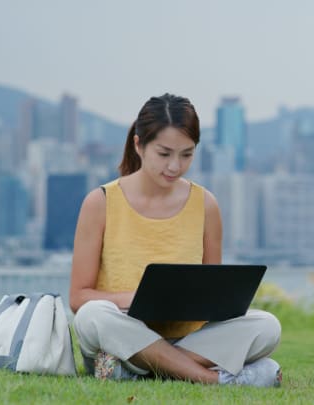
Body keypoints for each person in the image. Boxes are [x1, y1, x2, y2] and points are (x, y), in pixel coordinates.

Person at [69, 93, 282, 387]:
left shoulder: (206, 204)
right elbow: (79, 297)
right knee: (93, 316)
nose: (175, 166)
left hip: (185, 339)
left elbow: (214, 299)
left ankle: (136, 372)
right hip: (122, 334)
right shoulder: (100, 202)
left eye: (186, 154)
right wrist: (134, 299)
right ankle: (211, 379)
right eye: (164, 153)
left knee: (267, 326)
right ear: (138, 145)